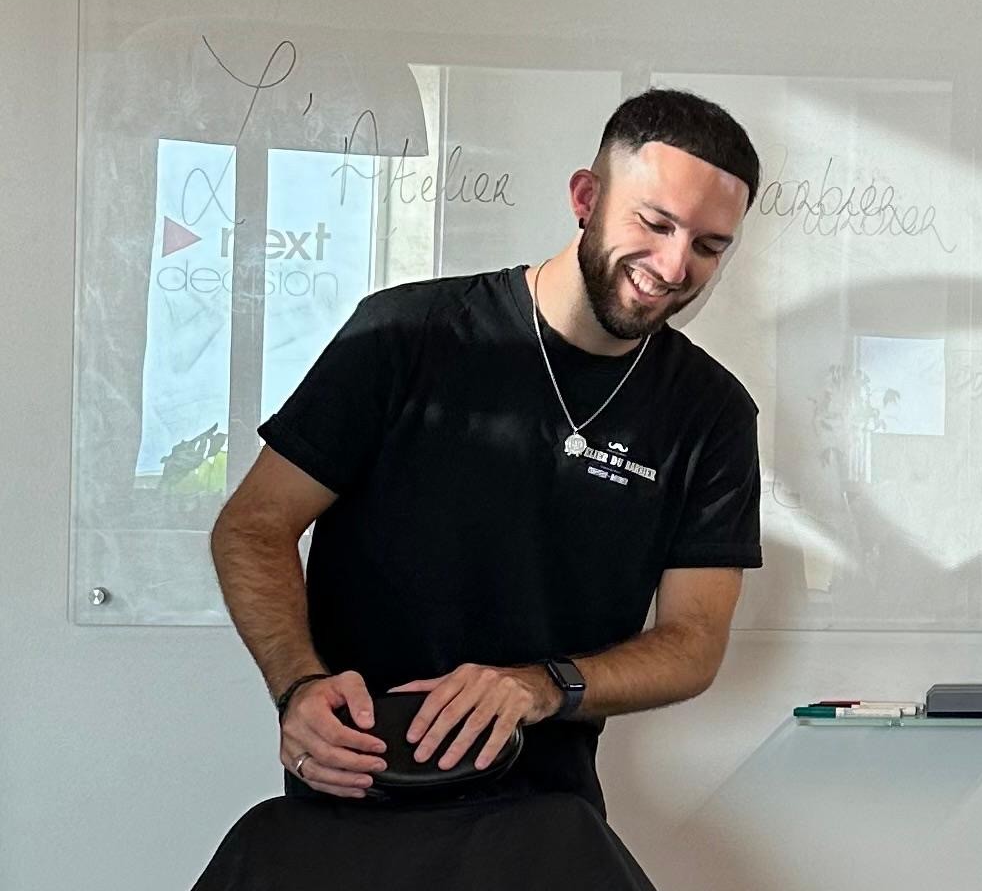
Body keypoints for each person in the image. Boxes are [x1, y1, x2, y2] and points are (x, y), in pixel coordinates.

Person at [210, 87, 765, 802]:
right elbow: (254, 526)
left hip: (545, 819)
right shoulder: (405, 335)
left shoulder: (711, 413)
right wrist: (298, 686)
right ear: (586, 197)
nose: (673, 264)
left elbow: (694, 642)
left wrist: (542, 687)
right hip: (356, 789)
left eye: (708, 245)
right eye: (655, 223)